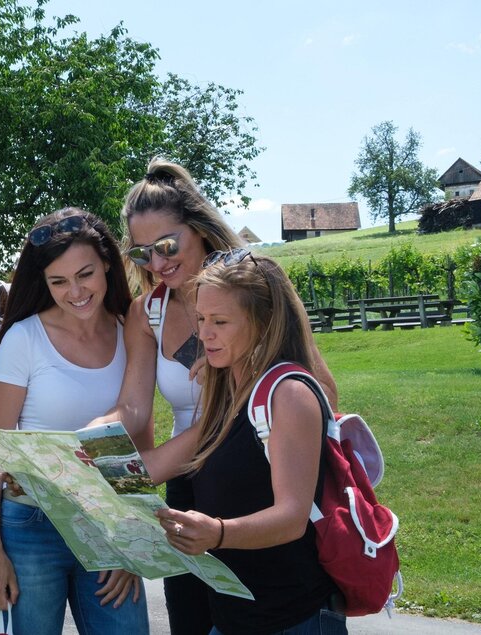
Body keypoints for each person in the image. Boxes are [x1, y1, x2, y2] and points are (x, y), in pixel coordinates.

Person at [96, 159, 338, 635]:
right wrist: (85, 444)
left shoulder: (255, 289)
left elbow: (318, 388)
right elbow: (134, 408)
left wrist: (248, 401)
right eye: (143, 254)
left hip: (255, 464)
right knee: (197, 615)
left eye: (167, 245)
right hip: (191, 471)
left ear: (200, 229)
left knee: (275, 604)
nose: (159, 263)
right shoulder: (148, 311)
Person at [139, 249, 347, 635]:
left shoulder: (290, 394)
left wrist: (217, 532)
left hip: (291, 620)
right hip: (234, 620)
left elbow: (291, 518)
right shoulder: (228, 401)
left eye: (220, 321)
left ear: (265, 323)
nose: (204, 334)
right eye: (201, 319)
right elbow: (150, 470)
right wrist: (59, 471)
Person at [0, 208, 150, 635]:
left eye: (85, 274)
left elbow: (140, 441)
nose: (75, 291)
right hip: (30, 528)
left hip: (110, 524)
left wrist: (135, 537)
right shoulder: (24, 339)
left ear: (108, 264)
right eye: (58, 281)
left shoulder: (131, 330)